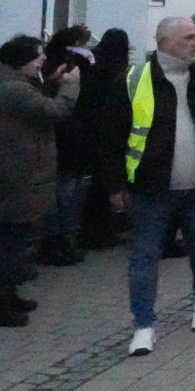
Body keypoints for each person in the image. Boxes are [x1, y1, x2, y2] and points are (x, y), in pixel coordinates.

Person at [102, 17, 195, 357]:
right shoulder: (134, 80)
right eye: (189, 38)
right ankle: (143, 326)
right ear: (164, 41)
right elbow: (110, 137)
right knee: (144, 258)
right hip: (151, 189)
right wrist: (115, 184)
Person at [0, 35, 80, 327]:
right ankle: (4, 302)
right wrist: (70, 88)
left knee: (14, 241)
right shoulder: (13, 90)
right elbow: (53, 111)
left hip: (16, 175)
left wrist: (53, 83)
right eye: (37, 58)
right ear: (22, 61)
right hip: (15, 178)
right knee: (10, 244)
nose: (42, 62)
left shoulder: (14, 85)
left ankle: (9, 296)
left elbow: (38, 101)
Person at [36, 24, 96, 266]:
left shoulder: (52, 63)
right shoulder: (75, 65)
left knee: (61, 193)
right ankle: (58, 242)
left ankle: (56, 242)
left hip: (62, 140)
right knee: (64, 195)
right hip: (69, 138)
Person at [79, 29, 131, 250]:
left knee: (97, 184)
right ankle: (99, 231)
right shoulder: (115, 70)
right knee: (104, 184)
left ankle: (93, 231)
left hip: (87, 128)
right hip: (107, 130)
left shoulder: (92, 63)